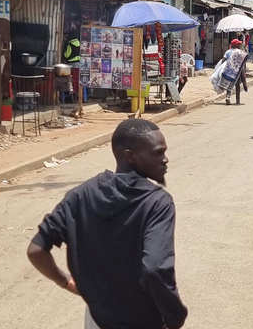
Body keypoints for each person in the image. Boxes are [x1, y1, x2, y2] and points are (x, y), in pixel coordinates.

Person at [26, 119, 188, 329]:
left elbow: (36, 250)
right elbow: (155, 268)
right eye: (158, 153)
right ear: (130, 156)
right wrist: (175, 317)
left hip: (97, 320)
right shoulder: (157, 203)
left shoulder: (81, 195)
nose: (165, 159)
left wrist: (64, 281)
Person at [223, 39, 248, 105]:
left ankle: (228, 97)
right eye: (239, 44)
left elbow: (223, 61)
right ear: (235, 45)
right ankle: (238, 100)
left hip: (229, 71)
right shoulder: (240, 52)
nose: (240, 45)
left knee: (229, 85)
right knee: (237, 85)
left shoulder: (228, 52)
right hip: (237, 71)